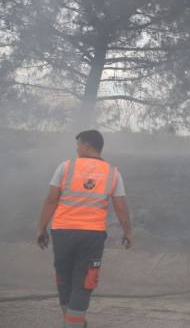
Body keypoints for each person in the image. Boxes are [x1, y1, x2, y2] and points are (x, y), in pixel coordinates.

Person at [36, 130, 133, 328]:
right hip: (92, 236)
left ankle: (71, 322)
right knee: (84, 281)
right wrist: (128, 232)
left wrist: (41, 228)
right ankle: (74, 323)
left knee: (64, 277)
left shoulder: (66, 167)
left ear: (88, 145)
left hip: (62, 232)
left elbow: (51, 199)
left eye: (78, 144)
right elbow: (120, 206)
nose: (76, 148)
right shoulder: (112, 173)